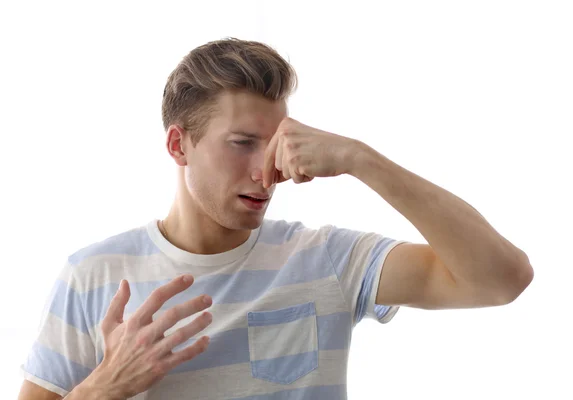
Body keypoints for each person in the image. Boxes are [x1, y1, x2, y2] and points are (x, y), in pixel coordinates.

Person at [18, 38, 534, 400]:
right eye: (243, 144)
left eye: (278, 144)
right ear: (179, 145)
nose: (270, 170)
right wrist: (102, 389)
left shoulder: (327, 260)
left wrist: (361, 159)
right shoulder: (94, 275)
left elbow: (501, 279)